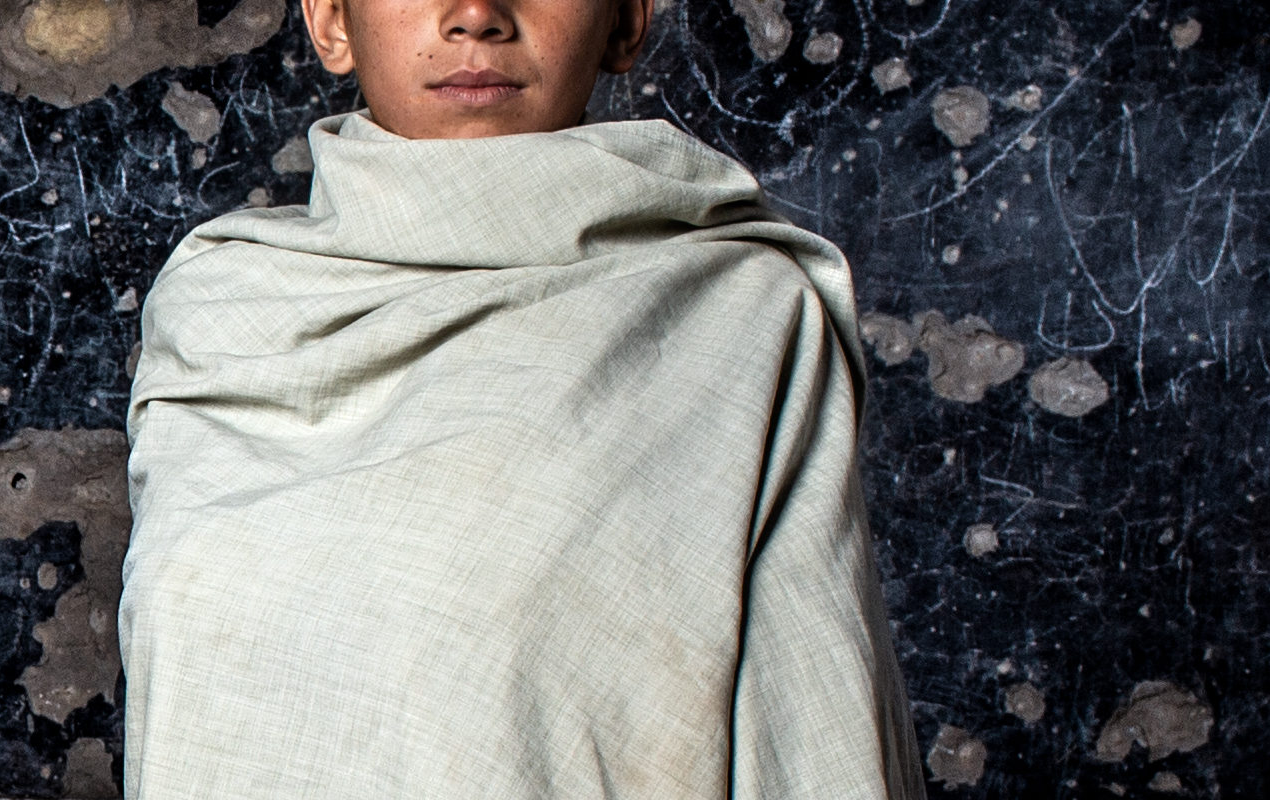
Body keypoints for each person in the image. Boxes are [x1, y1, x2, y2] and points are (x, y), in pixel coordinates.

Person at [118, 0, 907, 796]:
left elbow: (812, 741)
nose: (475, 16)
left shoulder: (740, 319)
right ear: (329, 21)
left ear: (627, 22)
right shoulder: (221, 312)